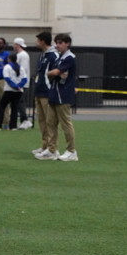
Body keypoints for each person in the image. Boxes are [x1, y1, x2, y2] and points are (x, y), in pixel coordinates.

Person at [36, 33, 78, 161]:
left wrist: (53, 73)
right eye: (56, 43)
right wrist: (54, 73)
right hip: (54, 93)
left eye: (60, 43)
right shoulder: (60, 57)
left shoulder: (69, 58)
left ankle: (71, 151)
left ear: (67, 44)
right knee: (50, 123)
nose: (57, 45)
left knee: (65, 124)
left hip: (63, 94)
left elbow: (55, 72)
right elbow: (54, 73)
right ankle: (52, 149)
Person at [30, 31, 58, 158]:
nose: (36, 43)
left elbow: (55, 74)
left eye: (38, 40)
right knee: (42, 121)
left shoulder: (53, 55)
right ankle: (45, 145)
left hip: (47, 92)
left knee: (50, 121)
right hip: (39, 91)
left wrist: (50, 89)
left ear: (42, 41)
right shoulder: (43, 55)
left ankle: (52, 148)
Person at [0, 52, 27, 130]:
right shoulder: (21, 67)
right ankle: (13, 126)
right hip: (19, 91)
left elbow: (7, 78)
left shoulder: (7, 67)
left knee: (2, 105)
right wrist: (19, 86)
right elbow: (24, 79)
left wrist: (15, 86)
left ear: (9, 59)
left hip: (9, 90)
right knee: (14, 108)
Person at [11, 37, 33, 129]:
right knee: (19, 101)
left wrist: (19, 82)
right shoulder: (21, 55)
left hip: (21, 82)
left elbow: (23, 69)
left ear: (17, 45)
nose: (13, 46)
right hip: (20, 82)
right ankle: (23, 120)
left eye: (14, 44)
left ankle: (25, 120)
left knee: (20, 101)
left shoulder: (23, 55)